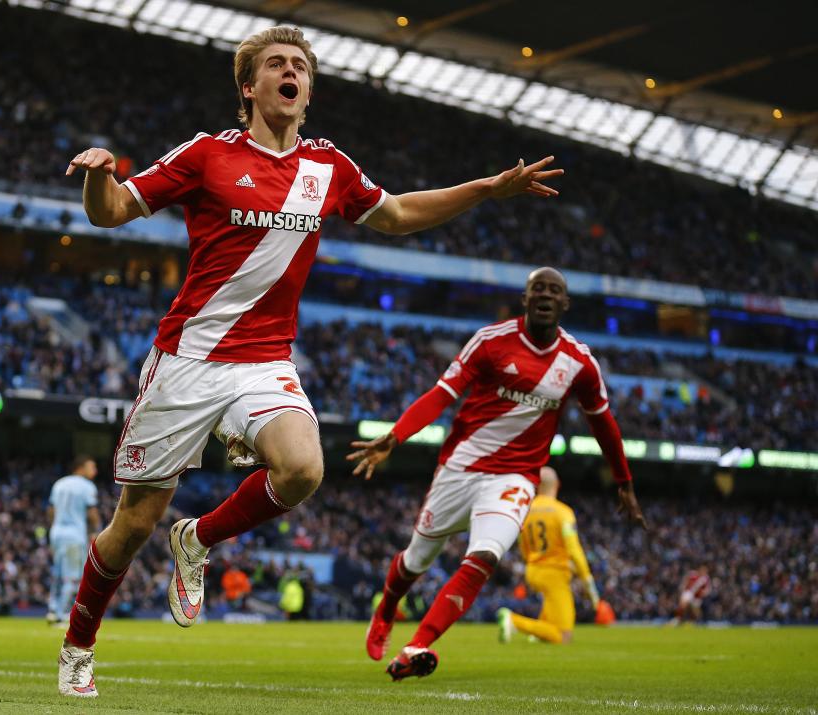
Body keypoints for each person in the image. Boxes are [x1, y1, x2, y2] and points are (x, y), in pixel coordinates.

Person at [58, 24, 563, 698]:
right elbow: (114, 211)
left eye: (300, 65)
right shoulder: (208, 154)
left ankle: (199, 537)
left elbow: (401, 212)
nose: (290, 72)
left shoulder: (329, 167)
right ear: (250, 86)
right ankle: (77, 645)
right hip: (187, 359)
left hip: (265, 360)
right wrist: (100, 177)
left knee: (303, 467)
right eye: (276, 64)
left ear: (308, 90)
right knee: (132, 526)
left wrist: (486, 188)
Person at [348, 266, 647, 681]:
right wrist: (396, 436)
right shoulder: (490, 341)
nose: (545, 294)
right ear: (525, 299)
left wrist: (624, 483)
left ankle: (418, 645)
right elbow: (441, 395)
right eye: (537, 288)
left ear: (565, 303)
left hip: (516, 478)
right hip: (460, 468)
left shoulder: (579, 363)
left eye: (554, 290)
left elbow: (604, 424)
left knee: (486, 555)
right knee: (416, 560)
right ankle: (384, 612)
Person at [496, 465, 600, 644]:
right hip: (555, 573)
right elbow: (574, 549)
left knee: (552, 610)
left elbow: (523, 547)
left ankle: (538, 634)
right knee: (564, 636)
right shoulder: (562, 512)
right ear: (557, 484)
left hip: (533, 570)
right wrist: (587, 579)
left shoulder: (525, 511)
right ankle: (513, 620)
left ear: (536, 486)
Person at [46, 456, 101, 625]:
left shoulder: (59, 483)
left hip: (56, 532)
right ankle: (63, 615)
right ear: (80, 468)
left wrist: (54, 527)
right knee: (73, 576)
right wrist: (96, 531)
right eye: (92, 466)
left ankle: (53, 610)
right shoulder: (87, 486)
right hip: (74, 535)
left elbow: (51, 510)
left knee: (58, 573)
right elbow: (92, 513)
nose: (95, 471)